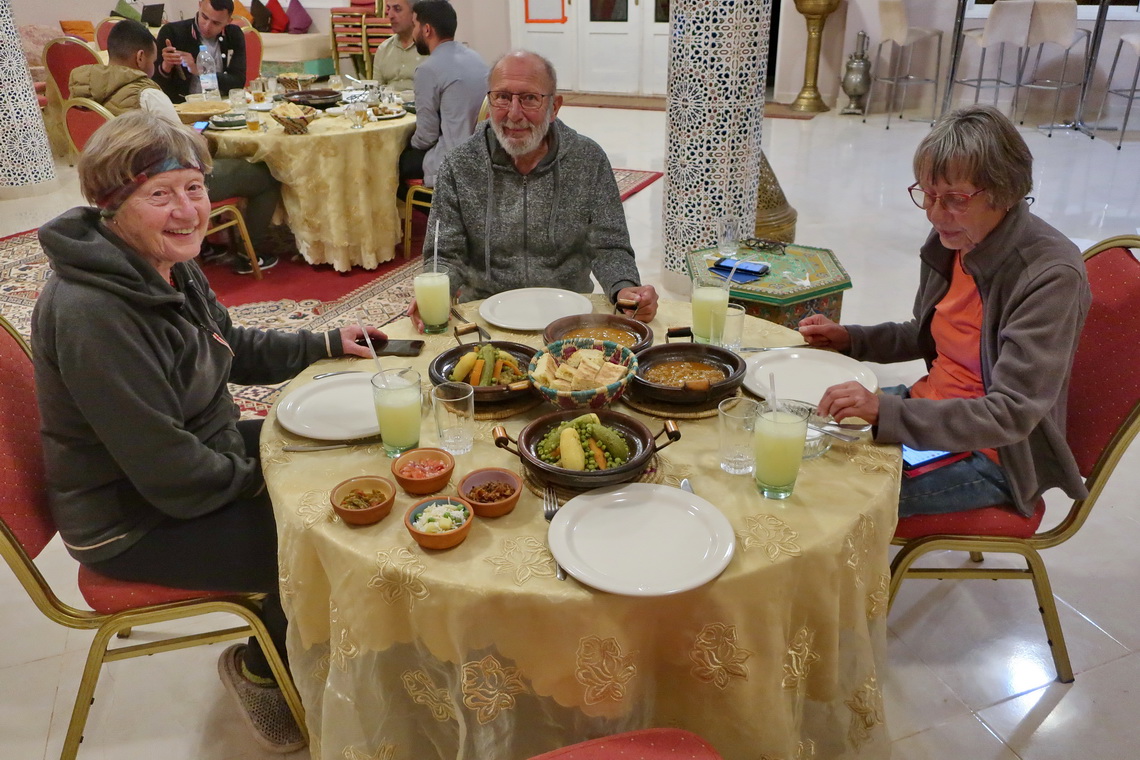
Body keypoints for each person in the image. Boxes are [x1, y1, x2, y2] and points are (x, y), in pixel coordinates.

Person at [30, 111, 386, 753]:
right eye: (159, 194)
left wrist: (327, 340)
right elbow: (171, 475)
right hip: (131, 517)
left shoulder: (164, 260)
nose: (187, 209)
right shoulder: (93, 313)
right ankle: (260, 671)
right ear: (112, 206)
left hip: (196, 459)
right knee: (320, 537)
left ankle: (318, 638)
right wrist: (279, 483)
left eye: (193, 187)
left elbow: (227, 344)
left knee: (350, 462)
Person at [800, 104, 1090, 519]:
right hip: (930, 411)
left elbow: (1011, 413)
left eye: (954, 199)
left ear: (1005, 191)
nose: (936, 214)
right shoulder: (955, 237)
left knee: (822, 499)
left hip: (993, 455)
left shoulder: (1048, 275)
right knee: (796, 439)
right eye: (928, 195)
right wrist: (852, 339)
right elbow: (928, 331)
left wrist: (887, 411)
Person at [406, 50, 658, 329]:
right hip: (484, 318)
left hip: (567, 315)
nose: (514, 114)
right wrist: (437, 287)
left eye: (529, 98)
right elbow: (444, 253)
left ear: (555, 107)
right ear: (489, 101)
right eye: (502, 97)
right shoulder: (460, 164)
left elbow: (610, 246)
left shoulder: (587, 160)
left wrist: (624, 288)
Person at [70, 18, 280, 275]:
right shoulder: (146, 94)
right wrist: (202, 139)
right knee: (264, 173)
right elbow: (185, 153)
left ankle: (207, 244)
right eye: (153, 60)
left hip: (110, 187)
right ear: (140, 58)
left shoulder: (82, 91)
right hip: (156, 188)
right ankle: (252, 253)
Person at [399, 0, 488, 188]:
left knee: (394, 161)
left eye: (415, 25)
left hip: (452, 159)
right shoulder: (475, 57)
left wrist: (406, 143)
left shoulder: (428, 70)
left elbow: (426, 136)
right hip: (482, 151)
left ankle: (419, 211)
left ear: (427, 30)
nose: (413, 33)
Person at [153, 0, 246, 104]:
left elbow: (238, 82)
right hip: (183, 107)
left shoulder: (234, 34)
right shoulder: (172, 32)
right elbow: (154, 85)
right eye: (204, 17)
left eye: (216, 23)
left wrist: (200, 71)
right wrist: (166, 66)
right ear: (200, 5)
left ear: (228, 21)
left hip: (223, 104)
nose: (207, 26)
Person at [371, 0, 424, 93]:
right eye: (388, 9)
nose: (390, 15)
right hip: (388, 105)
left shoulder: (429, 48)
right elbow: (376, 91)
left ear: (414, 14)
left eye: (397, 9)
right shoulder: (383, 49)